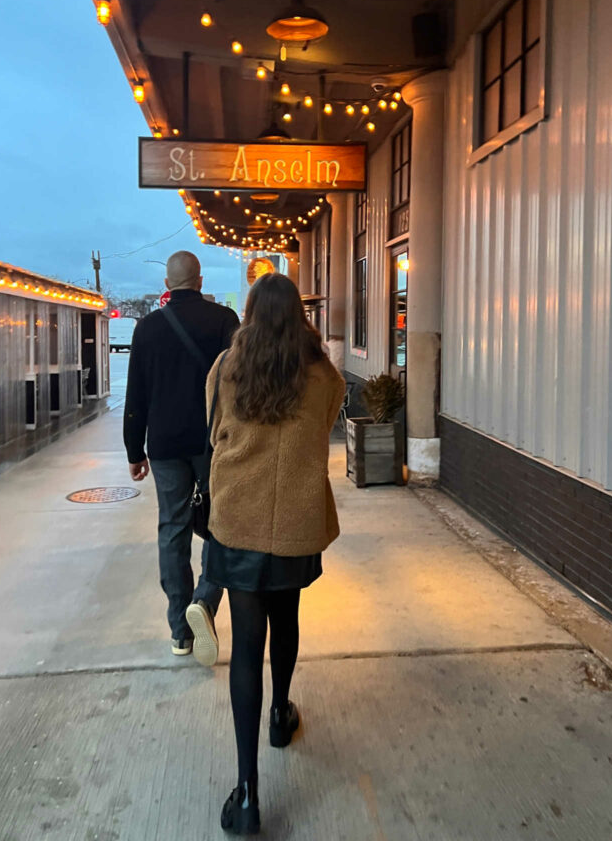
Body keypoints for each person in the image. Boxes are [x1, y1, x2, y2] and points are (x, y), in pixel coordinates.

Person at [204, 272, 345, 835]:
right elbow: (324, 429)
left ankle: (247, 793)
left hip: (236, 519)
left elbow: (212, 430)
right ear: (300, 317)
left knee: (245, 648)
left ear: (250, 315)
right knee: (286, 619)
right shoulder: (323, 378)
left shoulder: (226, 370)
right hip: (295, 520)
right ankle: (281, 715)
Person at [124, 250, 239, 662]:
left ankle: (180, 631)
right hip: (215, 442)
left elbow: (135, 392)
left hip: (166, 444)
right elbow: (238, 383)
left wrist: (134, 449)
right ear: (201, 281)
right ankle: (204, 603)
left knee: (172, 528)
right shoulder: (225, 321)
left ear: (167, 286)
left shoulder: (148, 328)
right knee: (220, 524)